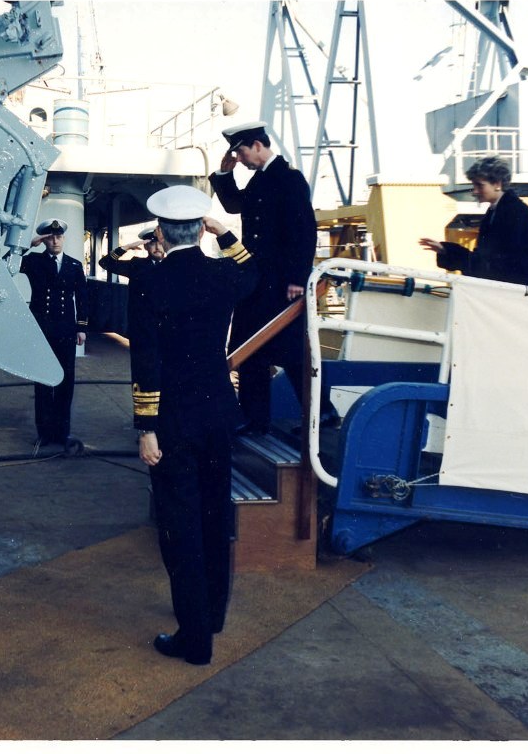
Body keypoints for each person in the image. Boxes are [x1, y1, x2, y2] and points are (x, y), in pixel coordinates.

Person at [131, 185, 257, 666]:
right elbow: (254, 271)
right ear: (200, 228)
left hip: (172, 421)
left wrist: (145, 425)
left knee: (180, 526)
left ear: (161, 229)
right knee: (213, 516)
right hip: (218, 415)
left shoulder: (149, 281)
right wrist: (225, 233)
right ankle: (214, 615)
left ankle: (194, 638)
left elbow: (145, 358)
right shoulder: (224, 274)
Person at [209, 121, 319, 435]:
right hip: (259, 278)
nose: (240, 159)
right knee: (248, 345)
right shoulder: (261, 180)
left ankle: (321, 412)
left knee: (292, 351)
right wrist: (224, 175)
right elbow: (235, 205)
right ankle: (254, 418)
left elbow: (304, 231)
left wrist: (298, 277)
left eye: (241, 152)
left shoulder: (289, 178)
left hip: (283, 282)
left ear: (258, 145)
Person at [419, 155, 528, 288]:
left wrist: (450, 253)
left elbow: (501, 263)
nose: (475, 191)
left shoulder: (514, 212)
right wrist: (446, 250)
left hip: (519, 294)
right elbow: (491, 261)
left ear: (497, 184)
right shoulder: (500, 211)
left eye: (480, 185)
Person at [21, 218, 89, 448]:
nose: (55, 241)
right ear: (44, 240)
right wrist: (29, 244)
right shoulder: (32, 261)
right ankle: (44, 433)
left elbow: (82, 298)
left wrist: (81, 327)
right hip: (41, 329)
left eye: (59, 236)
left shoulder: (73, 265)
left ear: (64, 238)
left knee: (65, 381)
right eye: (50, 237)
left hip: (66, 330)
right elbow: (5, 264)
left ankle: (62, 432)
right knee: (42, 381)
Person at [97, 225, 165, 344]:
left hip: (166, 330)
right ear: (145, 246)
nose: (157, 247)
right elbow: (105, 263)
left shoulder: (174, 266)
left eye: (160, 243)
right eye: (152, 243)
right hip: (141, 330)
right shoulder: (137, 265)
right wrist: (127, 247)